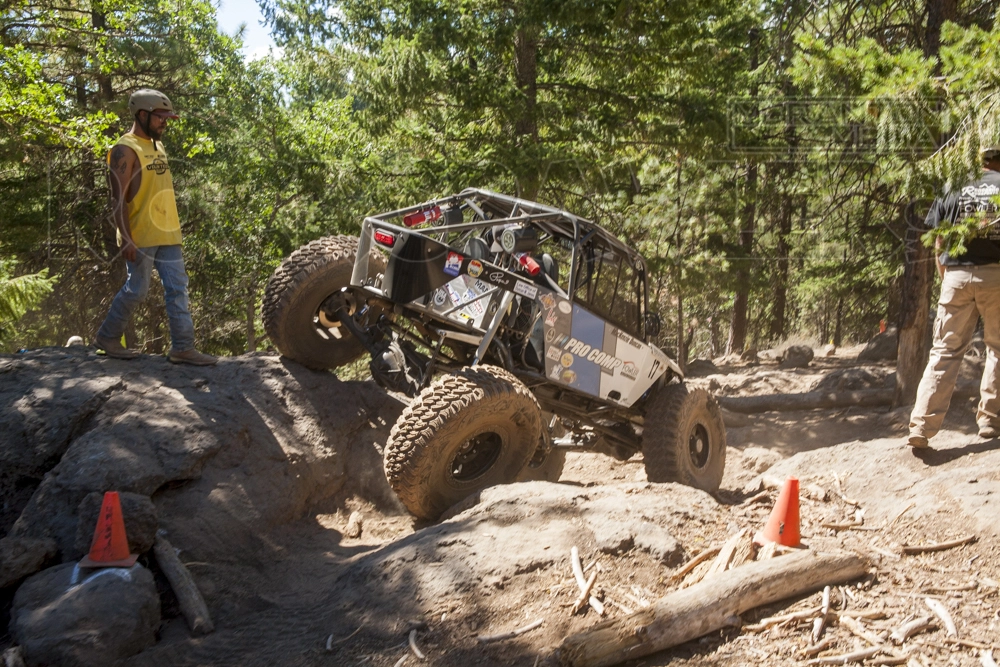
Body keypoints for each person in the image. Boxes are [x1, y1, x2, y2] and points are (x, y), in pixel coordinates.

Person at [93, 89, 216, 365]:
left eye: (167, 118)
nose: (165, 122)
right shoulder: (124, 149)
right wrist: (126, 239)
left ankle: (183, 347)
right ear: (142, 114)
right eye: (161, 117)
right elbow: (117, 199)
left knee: (177, 288)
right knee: (137, 289)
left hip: (168, 231)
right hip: (140, 233)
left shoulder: (157, 145)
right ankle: (108, 337)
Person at [908, 145, 1000, 448]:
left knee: (944, 351)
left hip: (956, 276)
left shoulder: (953, 186)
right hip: (997, 276)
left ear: (980, 161)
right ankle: (989, 420)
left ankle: (921, 426)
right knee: (998, 349)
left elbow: (939, 241)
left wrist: (946, 279)